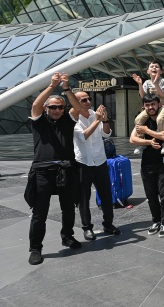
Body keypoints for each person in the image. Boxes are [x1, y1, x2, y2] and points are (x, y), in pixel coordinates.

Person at [27, 72, 83, 265]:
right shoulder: (39, 121)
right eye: (52, 107)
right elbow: (35, 106)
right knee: (39, 213)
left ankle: (67, 236)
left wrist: (66, 88)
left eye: (59, 107)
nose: (57, 110)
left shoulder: (68, 120)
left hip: (65, 170)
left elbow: (79, 108)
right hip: (43, 172)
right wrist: (51, 86)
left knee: (68, 209)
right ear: (47, 108)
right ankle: (35, 248)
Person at [70, 91, 121, 242]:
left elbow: (106, 134)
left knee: (106, 194)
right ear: (76, 103)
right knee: (84, 197)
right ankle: (87, 228)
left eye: (89, 98)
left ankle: (108, 224)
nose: (87, 101)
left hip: (99, 160)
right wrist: (97, 121)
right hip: (83, 162)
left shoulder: (95, 114)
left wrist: (104, 121)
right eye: (83, 99)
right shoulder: (73, 119)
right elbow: (83, 136)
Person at [130, 94, 164, 238]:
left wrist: (147, 132)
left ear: (158, 105)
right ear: (144, 106)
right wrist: (149, 142)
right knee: (151, 195)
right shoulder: (142, 120)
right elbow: (132, 139)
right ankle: (156, 221)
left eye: (153, 104)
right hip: (147, 164)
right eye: (147, 105)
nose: (151, 107)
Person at [132, 61, 164, 155]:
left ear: (161, 71)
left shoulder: (163, 81)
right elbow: (143, 96)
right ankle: (142, 141)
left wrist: (156, 83)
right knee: (138, 119)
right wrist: (139, 84)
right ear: (148, 71)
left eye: (157, 67)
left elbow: (162, 95)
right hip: (151, 106)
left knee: (160, 119)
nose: (154, 68)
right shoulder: (146, 82)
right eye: (152, 67)